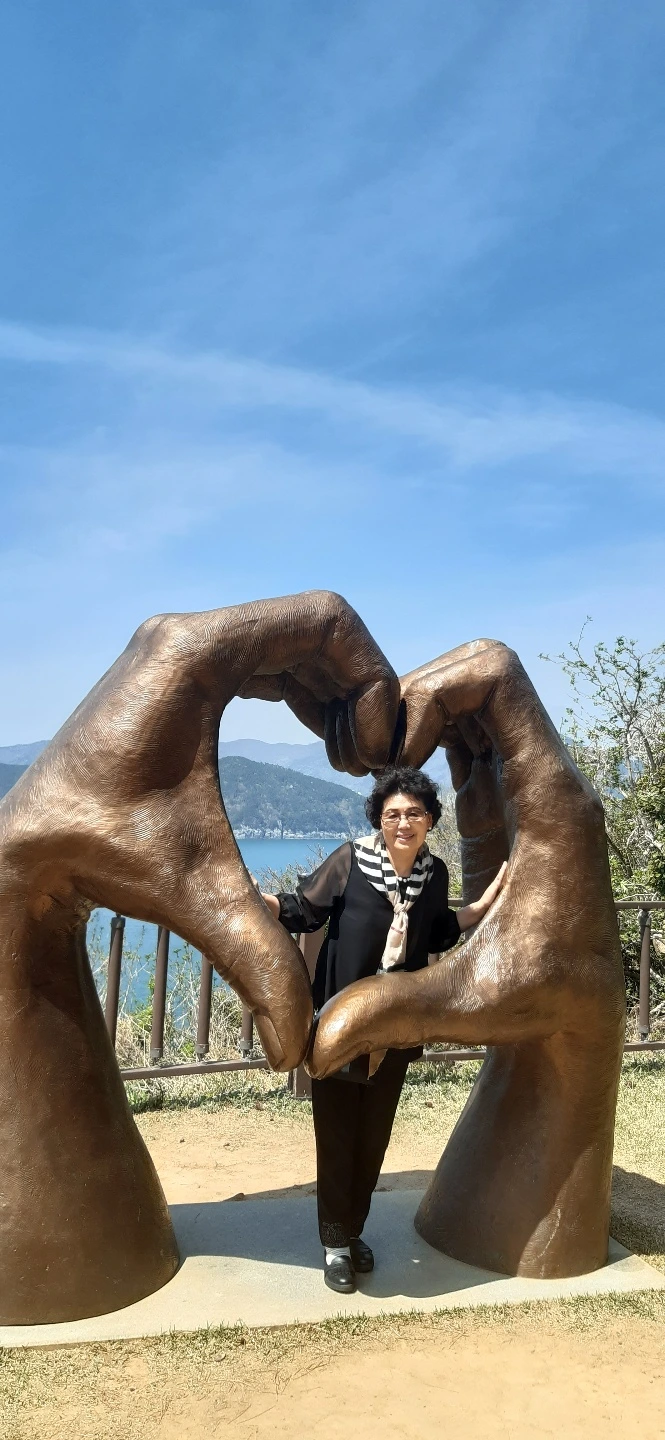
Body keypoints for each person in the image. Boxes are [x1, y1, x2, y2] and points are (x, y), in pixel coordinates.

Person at [260, 766, 506, 1295]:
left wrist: (482, 908)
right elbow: (305, 909)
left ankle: (352, 1232)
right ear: (379, 819)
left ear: (430, 820)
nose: (403, 823)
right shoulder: (351, 861)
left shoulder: (434, 874)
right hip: (341, 1025)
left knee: (374, 1136)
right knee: (337, 1134)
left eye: (414, 813)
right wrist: (265, 903)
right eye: (393, 814)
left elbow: (437, 931)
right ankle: (334, 1244)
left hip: (394, 1029)